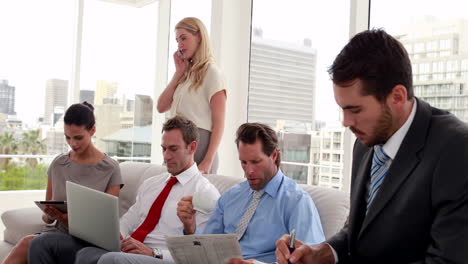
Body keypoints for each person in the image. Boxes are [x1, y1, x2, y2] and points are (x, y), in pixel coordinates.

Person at [275, 29, 468, 264]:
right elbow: (361, 231)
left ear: (397, 96)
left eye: (355, 110)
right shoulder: (365, 143)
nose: (346, 123)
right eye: (342, 109)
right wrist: (323, 253)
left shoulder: (456, 149)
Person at [28, 116, 220, 264]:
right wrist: (116, 237)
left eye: (173, 149)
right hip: (127, 249)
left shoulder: (205, 193)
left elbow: (200, 252)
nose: (166, 156)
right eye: (163, 149)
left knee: (101, 259)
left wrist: (154, 252)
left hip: (156, 258)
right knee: (42, 243)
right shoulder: (152, 184)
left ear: (192, 147)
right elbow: (127, 222)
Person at [177, 123, 325, 263]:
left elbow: (308, 260)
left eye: (255, 162)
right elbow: (208, 248)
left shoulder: (297, 201)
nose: (249, 171)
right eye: (244, 162)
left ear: (273, 155)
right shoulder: (230, 197)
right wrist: (191, 228)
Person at [3, 102, 123, 264]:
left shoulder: (111, 168)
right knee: (26, 243)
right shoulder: (58, 164)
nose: (73, 144)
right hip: (56, 233)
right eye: (68, 137)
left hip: (91, 242)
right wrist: (50, 215)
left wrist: (68, 219)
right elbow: (47, 218)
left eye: (78, 137)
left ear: (92, 130)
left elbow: (107, 225)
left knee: (35, 243)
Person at [157, 17, 227, 174]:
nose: (179, 45)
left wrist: (208, 160)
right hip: (177, 145)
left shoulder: (212, 73)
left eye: (184, 38)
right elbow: (161, 107)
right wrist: (178, 73)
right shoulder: (185, 75)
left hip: (199, 147)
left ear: (199, 37)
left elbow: (219, 124)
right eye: (177, 40)